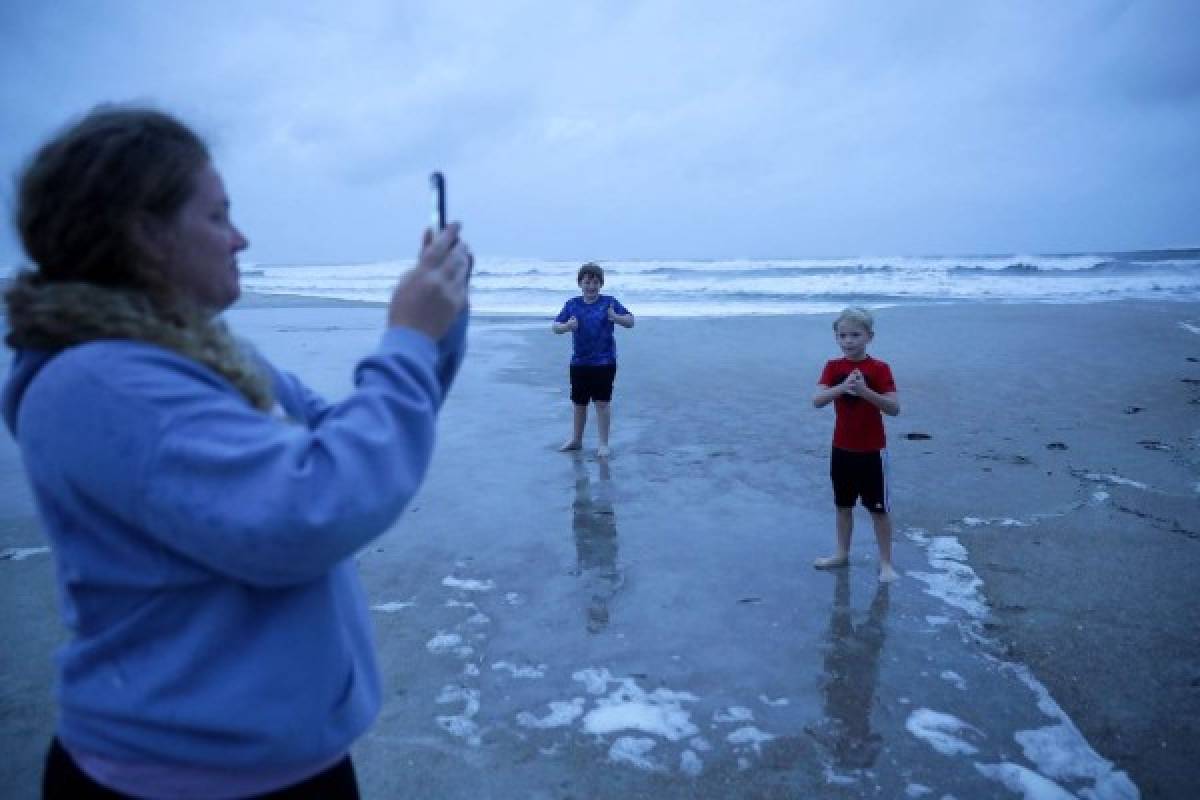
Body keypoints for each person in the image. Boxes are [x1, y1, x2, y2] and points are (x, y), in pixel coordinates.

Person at [2, 106, 472, 798]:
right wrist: (404, 339)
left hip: (272, 761)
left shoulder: (198, 355)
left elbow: (346, 439)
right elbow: (314, 507)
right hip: (186, 781)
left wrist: (436, 327)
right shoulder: (102, 383)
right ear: (144, 234)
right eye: (219, 217)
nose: (241, 239)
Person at [812, 307, 900, 582]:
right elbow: (817, 400)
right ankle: (841, 553)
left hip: (872, 452)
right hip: (841, 450)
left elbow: (894, 408)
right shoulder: (833, 367)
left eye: (855, 335)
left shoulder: (879, 368)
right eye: (842, 335)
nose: (848, 341)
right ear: (836, 338)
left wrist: (864, 391)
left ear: (869, 337)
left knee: (878, 510)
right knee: (843, 506)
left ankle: (885, 562)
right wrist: (843, 388)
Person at [551, 262, 634, 459]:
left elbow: (631, 321)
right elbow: (555, 326)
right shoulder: (572, 304)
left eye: (595, 282)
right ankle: (576, 439)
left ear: (601, 284)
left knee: (602, 403)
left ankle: (603, 444)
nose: (591, 286)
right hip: (579, 363)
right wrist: (566, 327)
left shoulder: (609, 302)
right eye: (587, 282)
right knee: (579, 404)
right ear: (580, 283)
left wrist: (615, 317)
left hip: (604, 363)